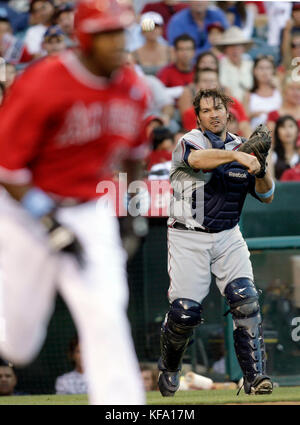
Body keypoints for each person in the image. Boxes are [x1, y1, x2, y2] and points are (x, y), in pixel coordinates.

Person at [0, 0, 150, 405]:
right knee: (18, 343)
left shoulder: (132, 86)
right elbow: (7, 168)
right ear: (85, 38)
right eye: (107, 33)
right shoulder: (44, 82)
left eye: (121, 31)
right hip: (23, 210)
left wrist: (132, 210)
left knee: (106, 311)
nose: (118, 42)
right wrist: (47, 223)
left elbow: (135, 154)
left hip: (86, 209)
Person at [157, 88, 274, 397]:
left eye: (218, 108)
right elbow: (197, 160)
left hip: (227, 234)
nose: (214, 114)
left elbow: (266, 194)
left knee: (245, 299)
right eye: (206, 110)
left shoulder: (243, 146)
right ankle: (169, 366)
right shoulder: (190, 141)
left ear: (228, 112)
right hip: (188, 234)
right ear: (199, 118)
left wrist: (260, 168)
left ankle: (255, 378)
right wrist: (239, 156)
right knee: (185, 313)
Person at [215, 26, 254, 102]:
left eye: (238, 46)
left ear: (243, 49)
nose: (235, 50)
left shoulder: (251, 65)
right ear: (225, 49)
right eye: (231, 46)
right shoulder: (219, 66)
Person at [243, 55, 282, 130]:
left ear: (273, 71)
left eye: (268, 68)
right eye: (261, 68)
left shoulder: (279, 91)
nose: (265, 72)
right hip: (255, 134)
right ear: (254, 71)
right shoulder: (248, 94)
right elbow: (244, 120)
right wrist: (253, 115)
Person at [132, 12, 171, 76]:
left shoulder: (171, 51)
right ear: (142, 30)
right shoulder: (134, 54)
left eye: (156, 26)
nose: (152, 29)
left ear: (161, 29)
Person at [272, 115, 300, 180]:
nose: (287, 131)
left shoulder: (298, 153)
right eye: (283, 126)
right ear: (277, 132)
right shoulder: (272, 155)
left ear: (297, 131)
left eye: (291, 126)